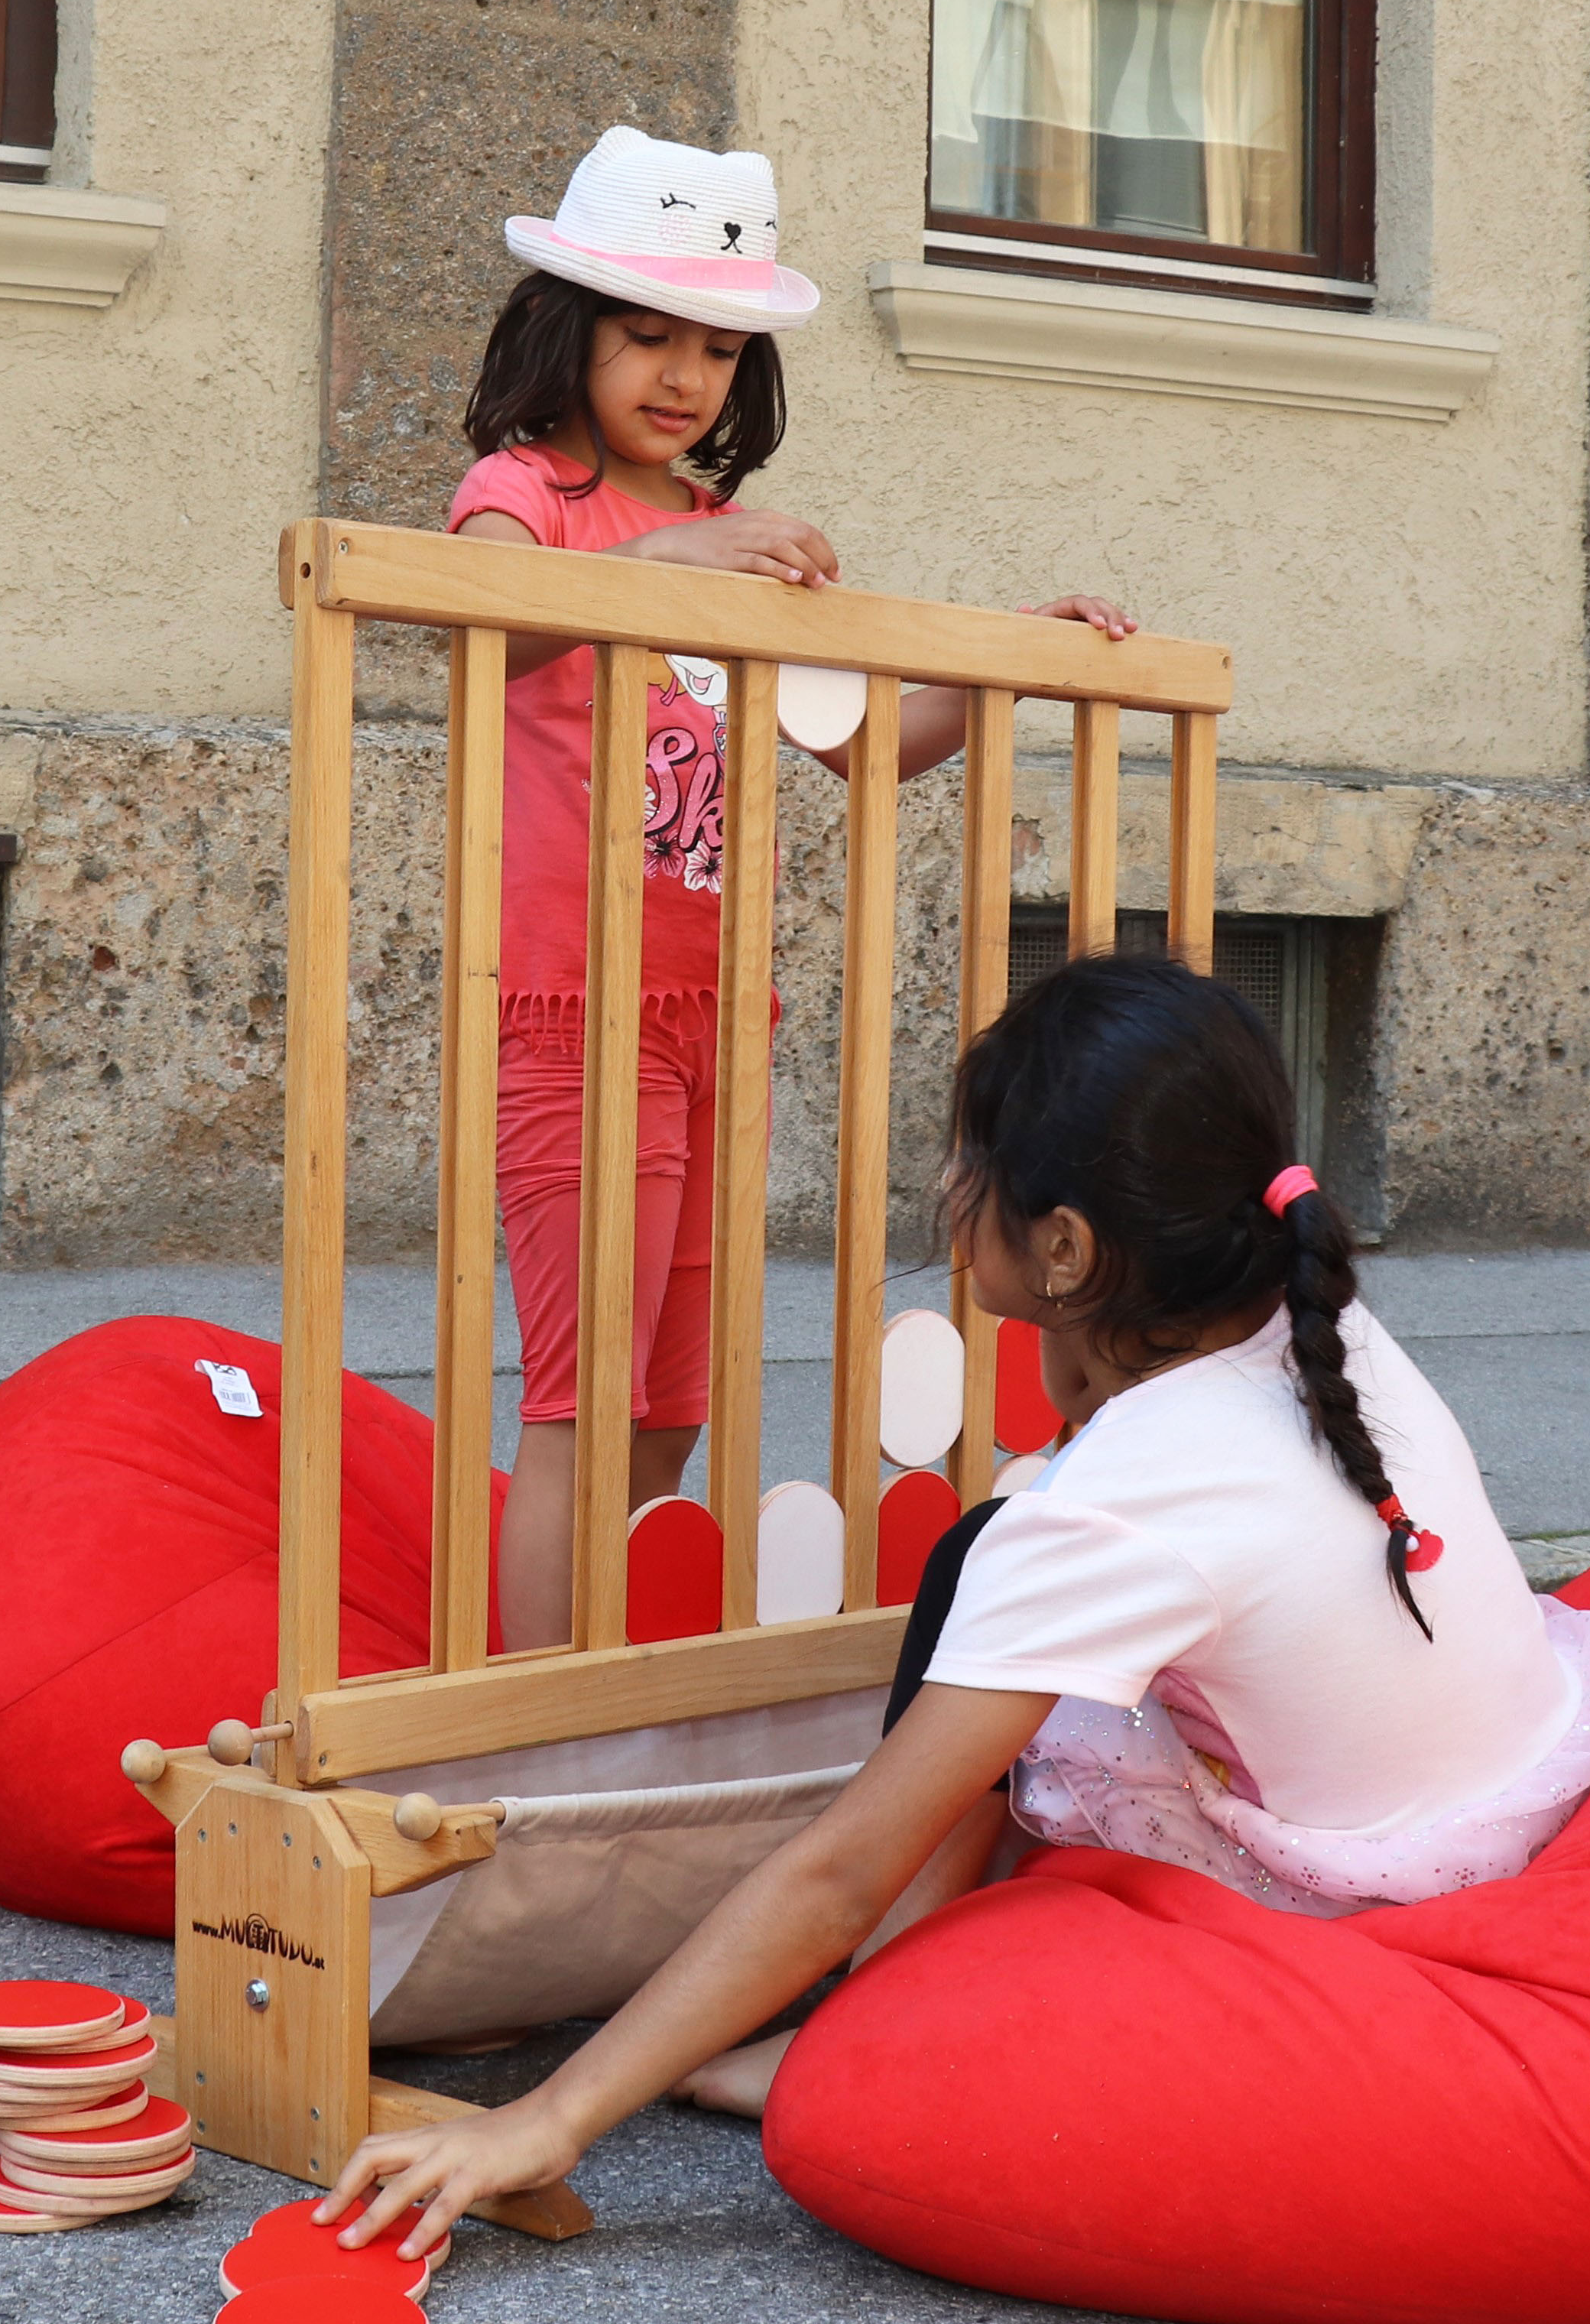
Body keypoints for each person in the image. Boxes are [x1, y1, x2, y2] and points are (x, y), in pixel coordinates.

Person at [320, 954, 1590, 2252]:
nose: (949, 1190)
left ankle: (863, 2020)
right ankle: (880, 1985)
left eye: (971, 1167)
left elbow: (842, 1864)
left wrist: (545, 2119)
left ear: (1065, 1246)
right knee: (994, 1560)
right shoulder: (1314, 1319)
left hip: (1352, 1901)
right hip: (1506, 1787)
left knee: (983, 1591)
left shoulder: (1122, 1505)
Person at [455, 125, 1133, 1649]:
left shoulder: (722, 535)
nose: (683, 375)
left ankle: (615, 1677)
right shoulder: (525, 492)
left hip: (713, 1013)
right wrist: (694, 549)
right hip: (574, 1006)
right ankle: (529, 1718)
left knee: (671, 1401)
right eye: (646, 335)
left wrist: (1008, 653)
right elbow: (491, 625)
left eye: (715, 345)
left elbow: (871, 745)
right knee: (580, 1388)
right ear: (564, 329)